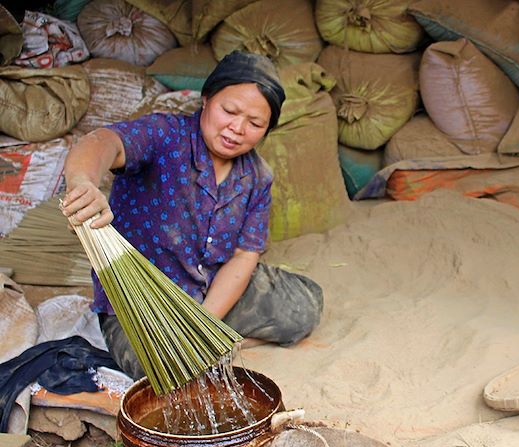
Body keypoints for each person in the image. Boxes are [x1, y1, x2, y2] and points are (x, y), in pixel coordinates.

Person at [60, 51, 323, 379]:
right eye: (229, 111)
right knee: (158, 368)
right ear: (207, 99)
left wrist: (203, 326)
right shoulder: (164, 136)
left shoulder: (257, 176)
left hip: (212, 287)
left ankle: (216, 341)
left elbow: (243, 256)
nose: (237, 128)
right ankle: (214, 343)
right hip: (144, 302)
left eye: (255, 123)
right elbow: (104, 142)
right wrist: (83, 181)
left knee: (304, 307)